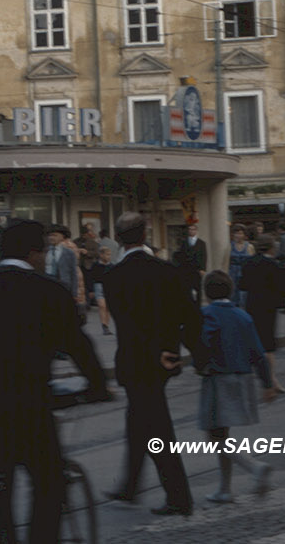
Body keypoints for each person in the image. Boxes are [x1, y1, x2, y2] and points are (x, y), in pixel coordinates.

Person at [0, 220, 109, 544]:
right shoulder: (47, 290)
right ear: (33, 252)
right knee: (48, 481)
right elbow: (79, 346)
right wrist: (98, 386)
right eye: (42, 251)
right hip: (27, 400)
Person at [102, 211, 207, 517]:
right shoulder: (167, 272)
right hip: (161, 360)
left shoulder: (113, 277)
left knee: (155, 427)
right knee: (141, 421)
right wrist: (195, 355)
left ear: (119, 240)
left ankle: (179, 497)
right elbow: (188, 316)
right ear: (145, 235)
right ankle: (131, 486)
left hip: (133, 361)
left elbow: (130, 323)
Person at [195, 271, 274, 504]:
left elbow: (204, 341)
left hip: (219, 378)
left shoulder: (207, 314)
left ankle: (254, 467)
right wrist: (267, 383)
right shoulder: (243, 315)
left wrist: (201, 363)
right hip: (243, 377)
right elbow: (258, 353)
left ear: (206, 293)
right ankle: (224, 488)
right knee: (222, 434)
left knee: (214, 435)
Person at [238, 234, 285, 394]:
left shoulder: (248, 262)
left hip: (252, 306)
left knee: (253, 341)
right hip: (268, 309)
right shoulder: (274, 265)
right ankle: (271, 379)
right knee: (268, 345)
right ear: (272, 248)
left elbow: (242, 284)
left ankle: (252, 378)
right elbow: (284, 288)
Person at [170, 223, 207, 303]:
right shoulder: (184, 242)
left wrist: (203, 268)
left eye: (193, 229)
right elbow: (181, 255)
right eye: (190, 229)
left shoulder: (201, 243)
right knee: (188, 287)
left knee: (198, 288)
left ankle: (198, 304)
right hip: (186, 268)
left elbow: (204, 256)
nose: (191, 231)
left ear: (196, 231)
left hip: (197, 268)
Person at [87, 244, 116, 335]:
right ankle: (103, 324)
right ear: (101, 255)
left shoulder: (112, 266)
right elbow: (91, 277)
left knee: (107, 307)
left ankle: (106, 326)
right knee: (102, 305)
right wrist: (90, 290)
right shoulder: (96, 265)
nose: (108, 257)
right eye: (107, 254)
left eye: (109, 254)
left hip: (109, 287)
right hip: (98, 286)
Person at [223, 226, 254, 308]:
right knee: (233, 291)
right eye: (236, 233)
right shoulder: (230, 246)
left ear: (244, 235)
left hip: (245, 271)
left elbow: (253, 261)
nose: (238, 235)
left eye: (240, 233)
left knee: (244, 293)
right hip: (233, 271)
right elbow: (226, 261)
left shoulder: (249, 246)